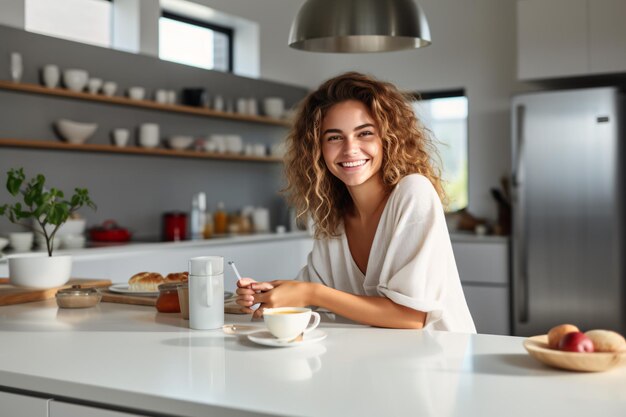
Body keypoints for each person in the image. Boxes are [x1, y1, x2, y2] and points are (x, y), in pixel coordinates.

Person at [236, 72, 476, 332]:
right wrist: (263, 294)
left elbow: (411, 317)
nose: (350, 149)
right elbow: (306, 293)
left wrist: (310, 294)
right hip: (383, 364)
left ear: (387, 138)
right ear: (318, 148)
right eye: (334, 137)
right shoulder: (332, 216)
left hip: (442, 363)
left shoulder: (413, 192)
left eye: (364, 134)